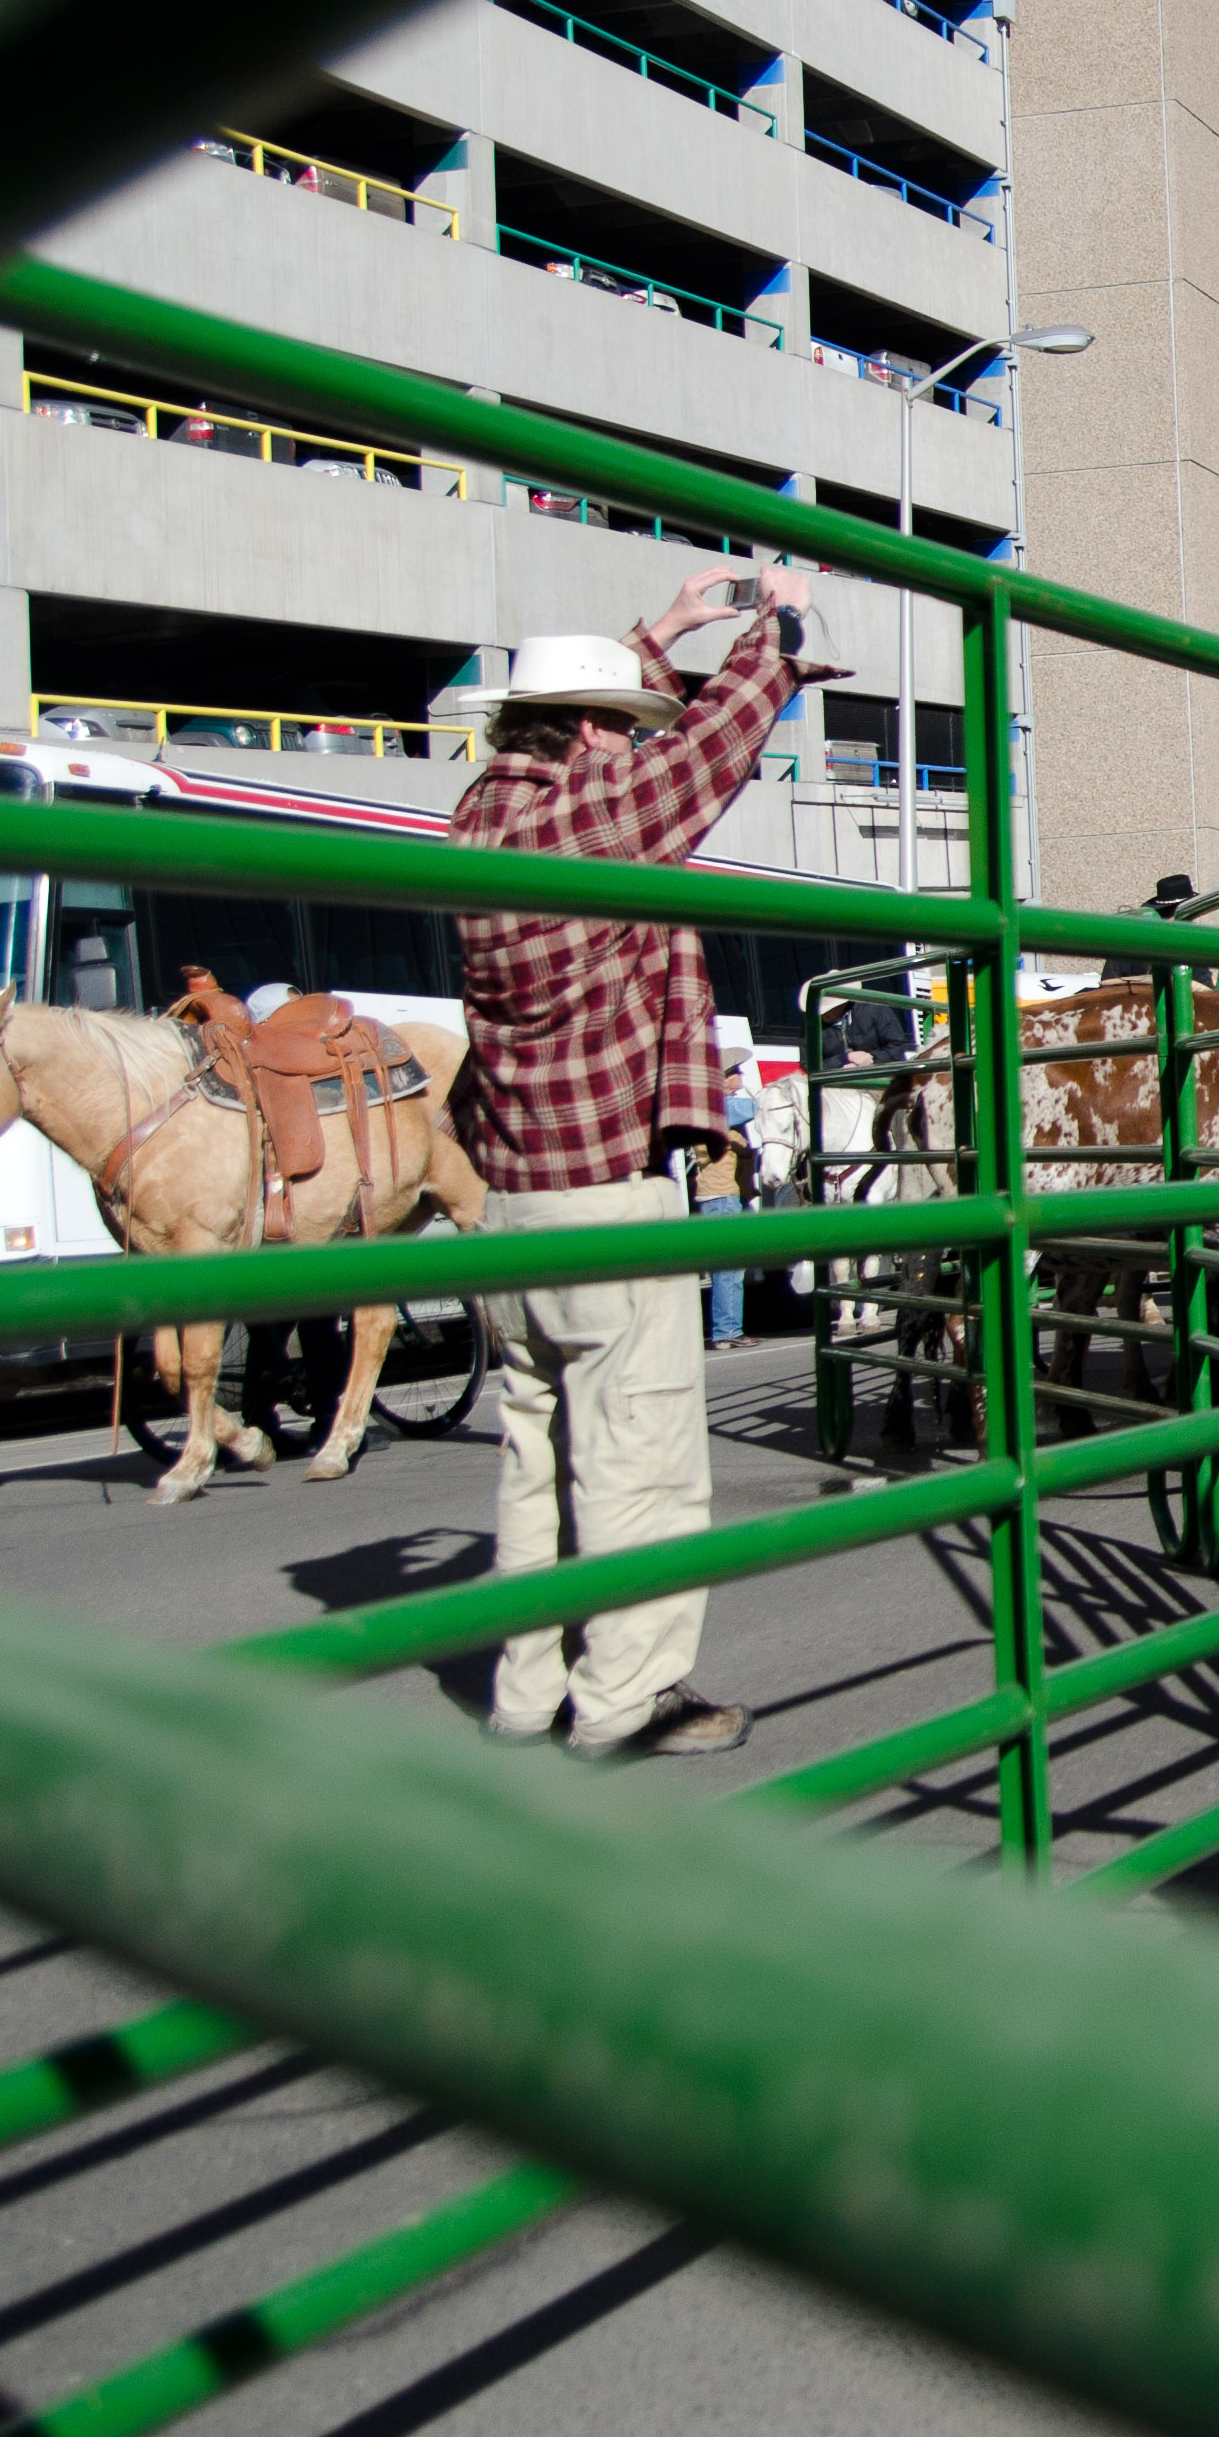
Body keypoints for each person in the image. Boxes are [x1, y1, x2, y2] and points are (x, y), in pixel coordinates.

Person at [453, 561, 826, 1759]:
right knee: (640, 1460)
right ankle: (624, 1700)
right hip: (605, 1199)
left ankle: (525, 1690)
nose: (633, 744)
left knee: (534, 1460)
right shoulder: (585, 825)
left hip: (510, 1205)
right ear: (590, 733)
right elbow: (694, 766)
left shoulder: (483, 816)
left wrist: (658, 633)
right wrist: (779, 637)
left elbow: (617, 757)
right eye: (622, 723)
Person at [694, 1076, 761, 1353]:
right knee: (729, 1269)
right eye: (736, 1073)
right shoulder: (718, 1109)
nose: (741, 1078)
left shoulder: (710, 1109)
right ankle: (727, 1331)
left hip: (722, 1196)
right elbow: (754, 1107)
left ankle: (726, 1331)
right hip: (721, 1198)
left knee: (728, 1268)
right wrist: (749, 1092)